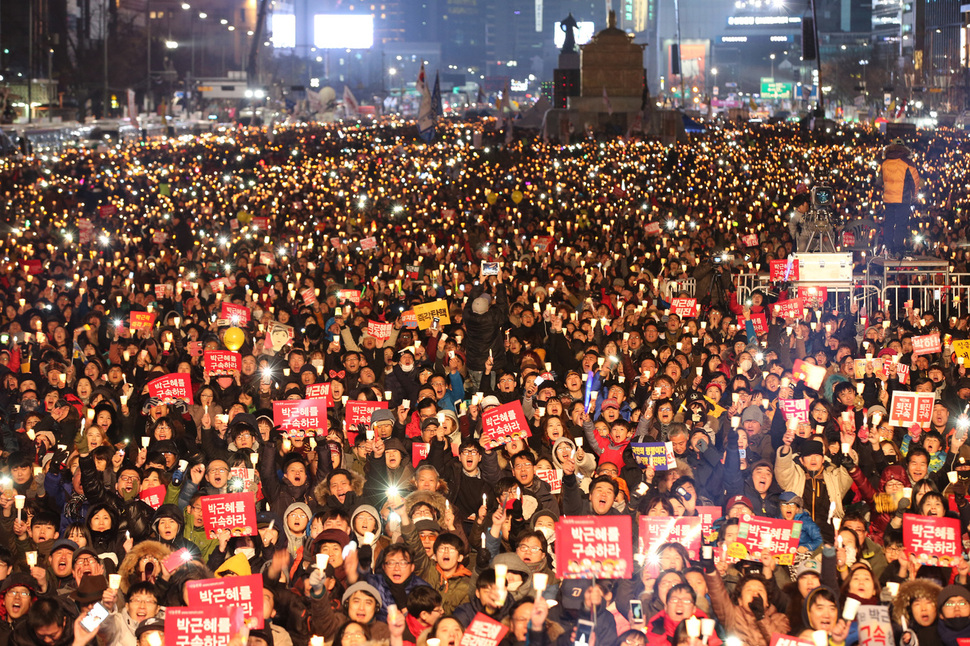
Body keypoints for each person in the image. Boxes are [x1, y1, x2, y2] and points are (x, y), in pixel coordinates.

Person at [878, 138, 921, 257]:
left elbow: (880, 181)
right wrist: (915, 195)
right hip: (903, 197)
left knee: (889, 223)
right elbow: (915, 181)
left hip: (888, 198)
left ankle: (889, 248)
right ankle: (898, 249)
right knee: (901, 224)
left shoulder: (885, 163)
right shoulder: (907, 162)